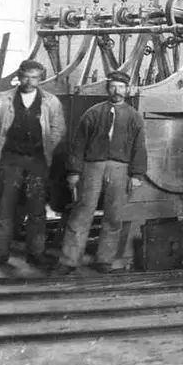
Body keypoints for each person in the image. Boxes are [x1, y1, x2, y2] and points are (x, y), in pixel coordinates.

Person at [55, 70, 147, 275]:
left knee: (114, 215)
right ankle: (69, 260)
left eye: (121, 87)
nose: (117, 91)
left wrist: (137, 175)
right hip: (92, 166)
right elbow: (78, 144)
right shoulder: (93, 113)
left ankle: (104, 260)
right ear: (108, 88)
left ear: (128, 89)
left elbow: (139, 148)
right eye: (113, 86)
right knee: (82, 212)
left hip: (119, 168)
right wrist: (74, 171)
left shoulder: (134, 117)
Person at [0, 60, 66, 268]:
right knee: (4, 209)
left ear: (40, 78)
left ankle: (35, 253)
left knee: (36, 210)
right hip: (10, 160)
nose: (30, 81)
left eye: (35, 77)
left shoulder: (50, 101)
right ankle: (1, 254)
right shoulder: (3, 99)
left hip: (37, 161)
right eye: (26, 76)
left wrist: (46, 148)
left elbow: (58, 129)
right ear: (19, 75)